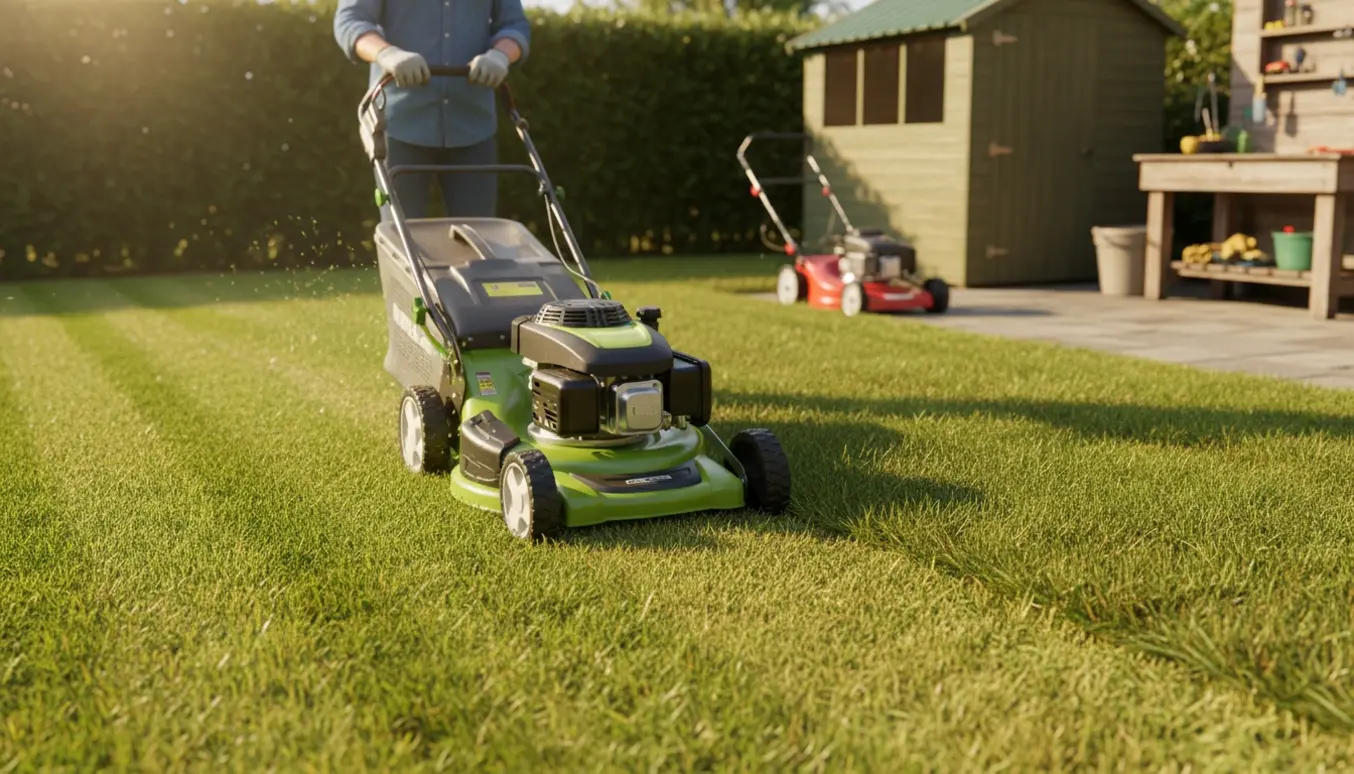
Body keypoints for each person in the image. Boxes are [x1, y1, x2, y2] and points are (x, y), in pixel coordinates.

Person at [334, 0, 530, 221]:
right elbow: (350, 20)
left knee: (482, 239)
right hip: (399, 125)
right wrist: (387, 53)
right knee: (401, 242)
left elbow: (514, 26)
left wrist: (500, 55)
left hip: (473, 125)